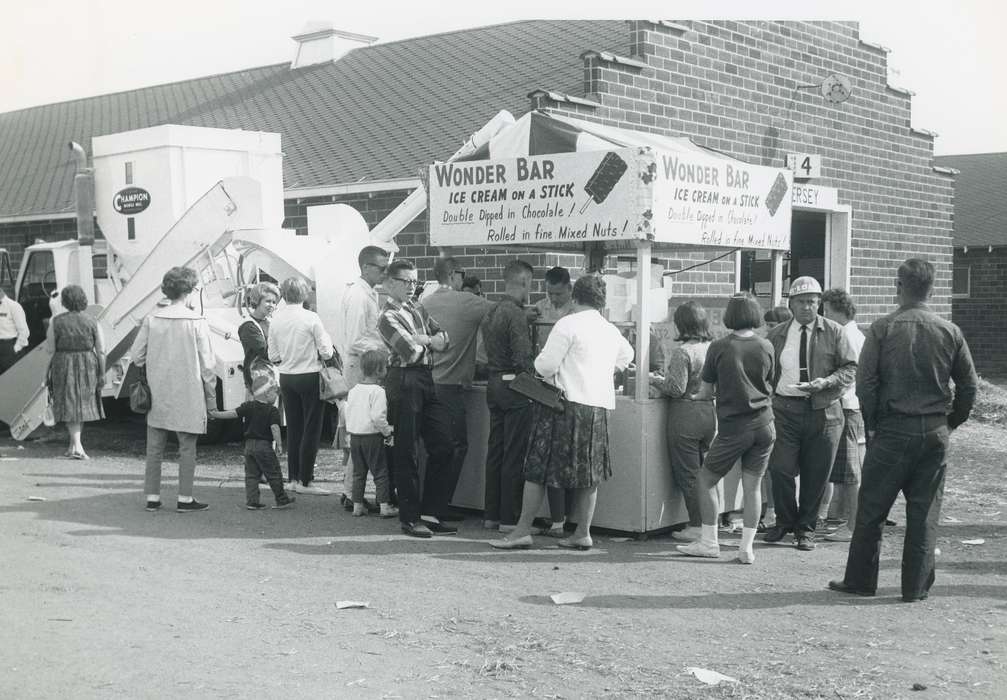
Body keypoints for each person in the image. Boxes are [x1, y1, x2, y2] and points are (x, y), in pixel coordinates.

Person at [830, 259, 978, 603]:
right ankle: (915, 587)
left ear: (899, 286)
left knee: (872, 509)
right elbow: (969, 387)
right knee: (924, 511)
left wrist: (874, 425)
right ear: (933, 290)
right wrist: (951, 421)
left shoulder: (882, 329)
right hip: (934, 430)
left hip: (892, 430)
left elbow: (866, 385)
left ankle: (861, 581)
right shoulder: (950, 331)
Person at [491, 275, 634, 551]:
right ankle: (582, 532)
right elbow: (626, 355)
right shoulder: (610, 329)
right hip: (597, 408)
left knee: (537, 469)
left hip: (562, 405)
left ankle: (521, 531)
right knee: (589, 473)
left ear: (575, 297)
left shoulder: (567, 324)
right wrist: (607, 372)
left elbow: (544, 367)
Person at [676, 293, 776, 564]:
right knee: (752, 486)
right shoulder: (766, 345)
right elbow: (770, 383)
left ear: (730, 316)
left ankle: (709, 541)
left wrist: (695, 398)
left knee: (706, 479)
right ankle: (746, 548)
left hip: (735, 426)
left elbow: (706, 391)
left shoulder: (720, 347)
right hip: (765, 424)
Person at [762, 277, 858, 551]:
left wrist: (826, 383)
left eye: (814, 302)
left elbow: (850, 368)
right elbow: (766, 370)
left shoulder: (835, 332)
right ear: (791, 304)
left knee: (817, 472)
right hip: (785, 409)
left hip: (823, 410)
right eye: (803, 302)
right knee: (780, 468)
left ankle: (806, 529)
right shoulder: (778, 334)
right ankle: (785, 521)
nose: (808, 307)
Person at [378, 259, 456, 538]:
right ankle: (410, 519)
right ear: (389, 284)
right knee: (407, 452)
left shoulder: (417, 307)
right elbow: (410, 353)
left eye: (415, 282)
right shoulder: (386, 317)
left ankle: (431, 512)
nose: (412, 287)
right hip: (403, 380)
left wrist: (422, 338)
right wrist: (428, 341)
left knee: (445, 444)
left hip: (426, 379)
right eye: (406, 282)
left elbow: (446, 339)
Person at [131, 266, 217, 512]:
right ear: (190, 291)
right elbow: (208, 366)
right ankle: (185, 498)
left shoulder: (152, 319)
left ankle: (152, 497)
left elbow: (137, 356)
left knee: (154, 447)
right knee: (187, 447)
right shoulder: (198, 322)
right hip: (189, 391)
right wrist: (211, 399)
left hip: (158, 391)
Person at [420, 256, 495, 521]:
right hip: (449, 388)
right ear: (453, 275)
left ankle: (428, 503)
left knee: (432, 447)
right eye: (462, 274)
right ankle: (440, 505)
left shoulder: (424, 302)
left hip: (424, 381)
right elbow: (502, 311)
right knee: (455, 445)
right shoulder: (467, 301)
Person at [650, 301, 716, 542]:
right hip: (708, 412)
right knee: (706, 472)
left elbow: (676, 388)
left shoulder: (683, 352)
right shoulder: (712, 347)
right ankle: (710, 523)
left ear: (681, 324)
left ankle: (697, 525)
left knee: (688, 473)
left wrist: (653, 379)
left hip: (685, 414)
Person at [481, 260, 536, 532]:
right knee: (515, 453)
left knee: (496, 451)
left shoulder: (493, 310)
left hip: (493, 383)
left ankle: (492, 514)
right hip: (514, 386)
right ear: (525, 282)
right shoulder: (515, 314)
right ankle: (510, 518)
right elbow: (523, 357)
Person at [268, 277, 335, 496]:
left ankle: (293, 478)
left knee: (295, 428)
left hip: (287, 377)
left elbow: (273, 355)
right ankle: (306, 480)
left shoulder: (276, 319)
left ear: (283, 294)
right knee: (312, 429)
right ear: (304, 294)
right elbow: (326, 351)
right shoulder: (311, 317)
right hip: (310, 375)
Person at [337, 245, 390, 510]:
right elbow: (357, 339)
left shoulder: (365, 293)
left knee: (358, 435)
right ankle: (349, 492)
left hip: (363, 366)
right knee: (361, 432)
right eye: (381, 268)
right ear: (366, 267)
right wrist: (383, 350)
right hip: (361, 368)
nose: (385, 272)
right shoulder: (359, 296)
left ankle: (350, 492)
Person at [817, 288, 866, 543]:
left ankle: (853, 527)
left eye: (827, 311)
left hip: (847, 405)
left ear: (839, 311)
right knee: (844, 469)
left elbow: (850, 374)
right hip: (848, 405)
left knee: (850, 471)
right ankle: (842, 519)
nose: (824, 317)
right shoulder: (853, 333)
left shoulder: (846, 335)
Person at [531, 266, 576, 534]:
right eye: (549, 293)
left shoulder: (577, 313)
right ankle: (558, 518)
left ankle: (563, 518)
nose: (553, 299)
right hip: (546, 384)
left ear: (569, 289)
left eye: (558, 294)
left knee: (560, 459)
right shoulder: (539, 308)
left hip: (568, 383)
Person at [210, 374, 295, 510]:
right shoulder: (272, 410)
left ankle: (252, 501)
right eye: (275, 393)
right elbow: (274, 428)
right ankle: (281, 499)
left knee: (251, 475)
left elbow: (232, 413)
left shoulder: (248, 406)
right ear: (267, 394)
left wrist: (216, 414)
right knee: (273, 472)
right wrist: (279, 444)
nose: (276, 396)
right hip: (264, 446)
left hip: (249, 446)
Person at [45, 285, 105, 459]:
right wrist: (102, 373)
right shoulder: (93, 321)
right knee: (81, 404)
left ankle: (76, 446)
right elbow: (101, 350)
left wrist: (45, 373)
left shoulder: (55, 321)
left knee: (69, 403)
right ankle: (74, 446)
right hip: (88, 363)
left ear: (64, 302)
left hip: (63, 362)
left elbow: (50, 350)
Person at [344, 348, 397, 518]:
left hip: (355, 436)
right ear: (378, 370)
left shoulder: (353, 391)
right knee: (380, 472)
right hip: (372, 437)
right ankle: (384, 506)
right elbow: (377, 416)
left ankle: (357, 505)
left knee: (359, 473)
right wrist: (387, 430)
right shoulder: (379, 391)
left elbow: (348, 412)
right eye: (385, 367)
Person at [237, 282, 280, 391]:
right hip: (258, 378)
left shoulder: (269, 322)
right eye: (268, 301)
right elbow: (265, 352)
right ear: (257, 301)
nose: (271, 305)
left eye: (274, 302)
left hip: (271, 375)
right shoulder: (248, 326)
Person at [0, 285, 29, 374]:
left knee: (10, 380)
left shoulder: (14, 306)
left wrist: (15, 349)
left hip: (9, 348)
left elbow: (24, 331)